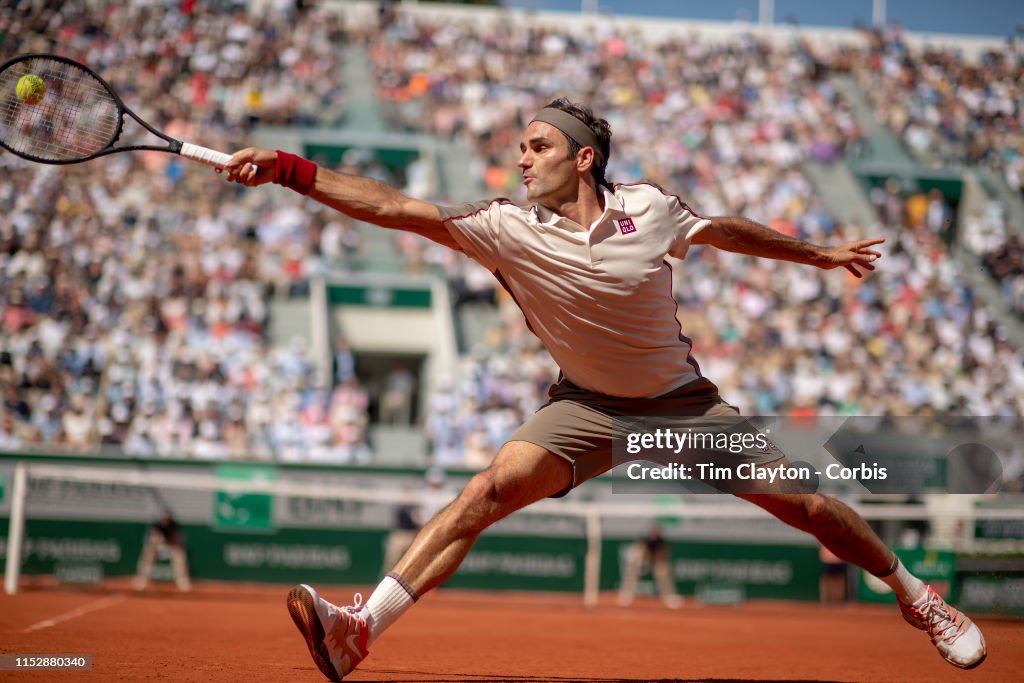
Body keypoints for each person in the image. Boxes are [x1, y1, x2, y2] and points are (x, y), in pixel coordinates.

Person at [220, 97, 987, 679]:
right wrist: (288, 168)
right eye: (520, 147)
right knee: (488, 488)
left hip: (682, 408)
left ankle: (915, 592)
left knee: (807, 504)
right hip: (585, 408)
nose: (523, 160)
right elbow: (392, 206)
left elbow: (723, 230)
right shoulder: (503, 226)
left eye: (539, 146)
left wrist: (817, 254)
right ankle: (360, 630)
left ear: (584, 158)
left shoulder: (648, 210)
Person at [617, 522, 683, 609]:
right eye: (653, 531)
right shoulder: (644, 539)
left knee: (663, 571)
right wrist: (641, 563)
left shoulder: (661, 542)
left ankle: (669, 597)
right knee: (632, 572)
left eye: (657, 531)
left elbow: (662, 556)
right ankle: (626, 595)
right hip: (642, 558)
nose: (655, 533)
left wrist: (656, 563)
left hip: (655, 559)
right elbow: (639, 553)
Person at [133, 510, 191, 592]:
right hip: (158, 543)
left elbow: (179, 539)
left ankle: (182, 581)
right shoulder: (156, 525)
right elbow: (149, 539)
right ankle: (142, 579)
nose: (166, 519)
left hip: (171, 543)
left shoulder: (174, 525)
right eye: (164, 517)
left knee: (179, 555)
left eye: (168, 518)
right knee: (148, 554)